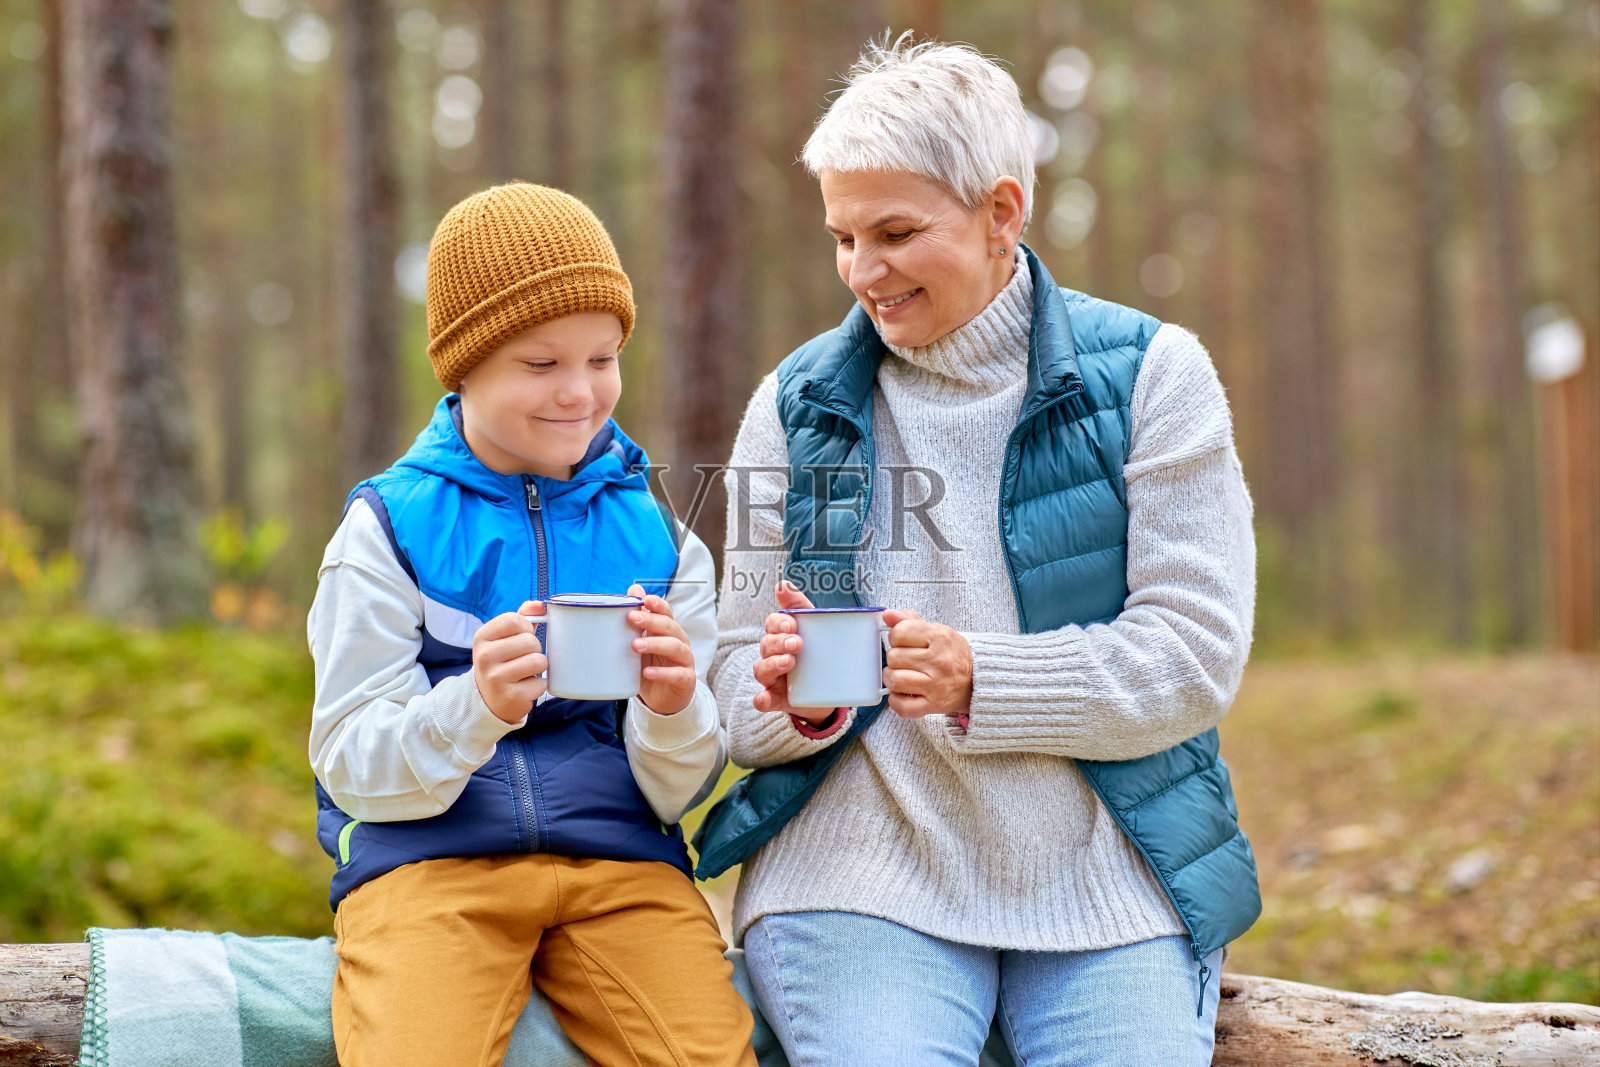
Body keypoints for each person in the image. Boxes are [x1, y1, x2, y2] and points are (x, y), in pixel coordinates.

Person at [700, 36, 1261, 1067]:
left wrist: (978, 675)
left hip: (1108, 874)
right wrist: (794, 703)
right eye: (841, 236)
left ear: (1002, 212)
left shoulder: (1153, 378)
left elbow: (1192, 658)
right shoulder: (793, 405)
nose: (863, 272)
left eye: (897, 232)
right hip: (853, 873)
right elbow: (734, 678)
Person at [307, 182, 756, 1067]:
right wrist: (472, 705)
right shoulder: (389, 527)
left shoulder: (661, 542)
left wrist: (672, 708)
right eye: (540, 365)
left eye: (603, 358)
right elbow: (349, 760)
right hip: (429, 862)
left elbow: (677, 789)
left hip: (624, 865)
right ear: (463, 364)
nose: (580, 395)